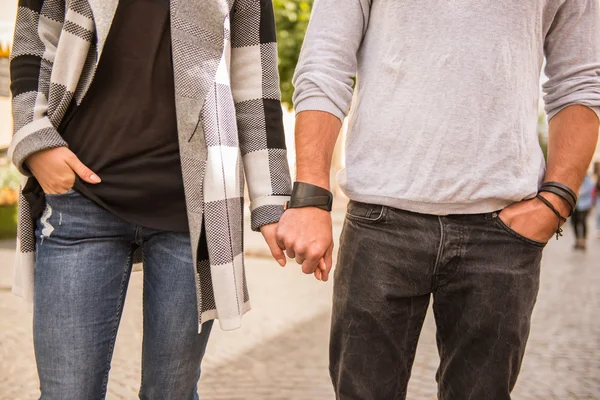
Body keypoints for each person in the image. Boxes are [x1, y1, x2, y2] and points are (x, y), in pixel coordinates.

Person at [277, 0, 600, 398]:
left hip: (503, 234)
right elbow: (325, 64)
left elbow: (580, 81)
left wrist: (556, 203)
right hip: (382, 223)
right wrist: (310, 195)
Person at [9, 0, 291, 398]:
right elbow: (32, 43)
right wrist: (36, 142)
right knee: (67, 393)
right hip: (80, 199)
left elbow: (255, 83)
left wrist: (271, 201)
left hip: (193, 213)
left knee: (171, 392)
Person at [572, 174, 595, 250]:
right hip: (575, 205)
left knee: (583, 222)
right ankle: (577, 240)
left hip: (585, 205)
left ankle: (583, 241)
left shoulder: (588, 179)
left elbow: (589, 189)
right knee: (574, 222)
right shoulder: (575, 177)